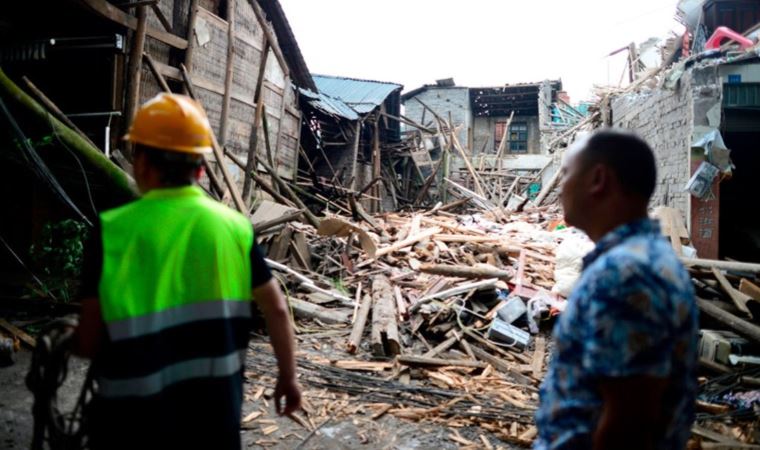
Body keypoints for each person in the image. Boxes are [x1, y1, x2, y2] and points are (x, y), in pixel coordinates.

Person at [73, 93, 300, 449]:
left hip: (129, 425)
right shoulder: (236, 228)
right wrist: (288, 377)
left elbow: (88, 342)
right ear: (199, 167)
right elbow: (277, 309)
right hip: (214, 422)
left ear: (143, 162)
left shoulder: (111, 230)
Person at [534, 129, 698, 450]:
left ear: (598, 179)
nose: (558, 188)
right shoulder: (640, 259)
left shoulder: (626, 275)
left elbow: (629, 422)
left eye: (566, 173)